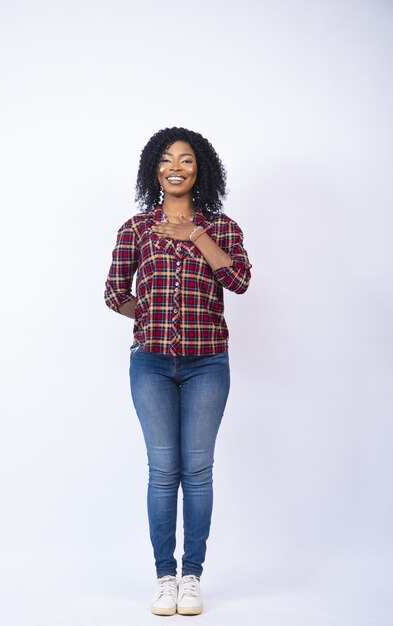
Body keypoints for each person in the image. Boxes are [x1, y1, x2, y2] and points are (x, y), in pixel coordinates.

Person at [104, 127, 251, 616]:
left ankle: (193, 577)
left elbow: (239, 280)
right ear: (154, 169)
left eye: (186, 160)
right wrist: (144, 314)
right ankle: (164, 577)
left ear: (199, 169)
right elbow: (113, 292)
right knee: (164, 472)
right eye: (167, 159)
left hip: (208, 362)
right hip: (150, 364)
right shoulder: (135, 228)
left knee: (199, 471)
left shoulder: (222, 227)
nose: (176, 167)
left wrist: (196, 234)